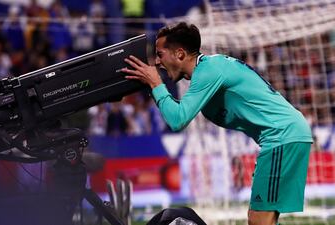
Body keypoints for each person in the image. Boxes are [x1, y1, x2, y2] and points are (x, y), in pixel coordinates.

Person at [121, 22, 313, 225]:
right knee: (258, 219)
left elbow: (177, 119)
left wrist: (156, 84)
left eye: (160, 54)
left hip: (282, 136)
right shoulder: (207, 72)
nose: (157, 62)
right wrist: (154, 86)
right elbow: (177, 113)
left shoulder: (208, 70)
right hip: (281, 137)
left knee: (259, 221)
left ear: (179, 54)